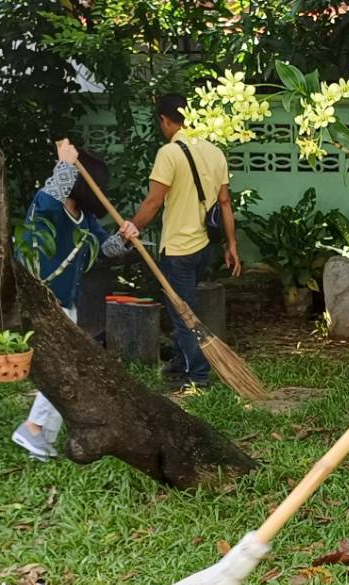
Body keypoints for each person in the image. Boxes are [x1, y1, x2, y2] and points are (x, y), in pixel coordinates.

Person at [12, 138, 129, 460]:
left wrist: (123, 238)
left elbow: (105, 250)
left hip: (66, 301)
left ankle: (38, 434)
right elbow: (49, 199)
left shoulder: (86, 219)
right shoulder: (48, 204)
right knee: (63, 369)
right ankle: (34, 429)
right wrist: (65, 164)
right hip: (42, 299)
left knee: (64, 368)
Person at [116, 94, 240, 390]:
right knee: (182, 308)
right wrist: (231, 245)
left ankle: (197, 376)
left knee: (182, 314)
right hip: (204, 248)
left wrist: (132, 226)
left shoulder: (168, 153)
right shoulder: (214, 152)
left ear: (164, 119)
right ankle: (182, 361)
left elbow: (154, 201)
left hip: (178, 249)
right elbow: (225, 203)